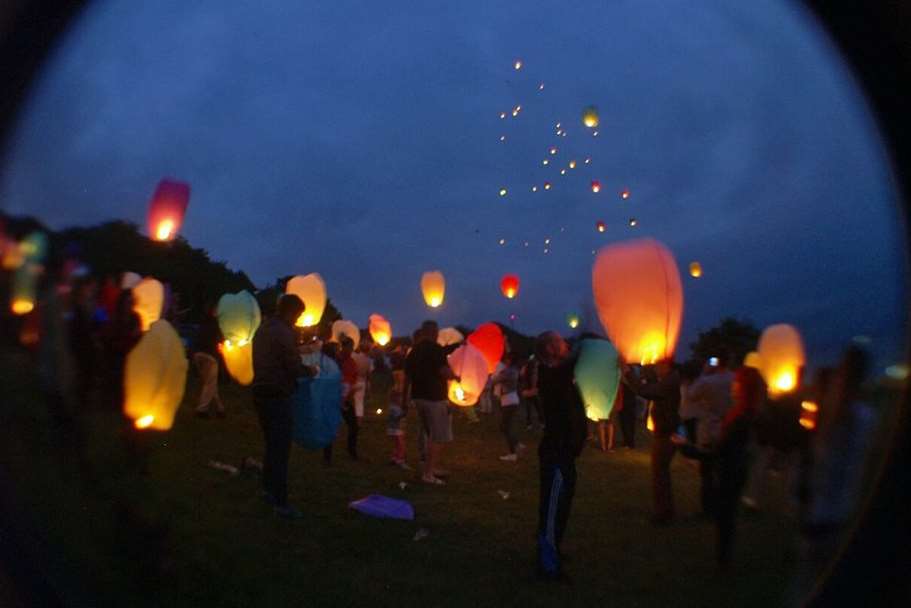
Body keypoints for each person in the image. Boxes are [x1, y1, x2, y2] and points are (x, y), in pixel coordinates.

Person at [251, 294, 314, 518]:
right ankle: (280, 502)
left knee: (271, 445)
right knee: (280, 449)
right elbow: (292, 365)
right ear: (291, 311)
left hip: (260, 391)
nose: (298, 320)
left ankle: (267, 490)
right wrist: (310, 371)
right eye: (298, 315)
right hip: (277, 393)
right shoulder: (284, 332)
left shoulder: (263, 328)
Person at [535, 331, 588, 581]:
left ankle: (555, 547)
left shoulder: (561, 375)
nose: (565, 343)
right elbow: (574, 357)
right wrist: (586, 335)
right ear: (550, 349)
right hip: (556, 453)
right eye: (560, 341)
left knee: (562, 506)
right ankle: (547, 565)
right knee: (552, 509)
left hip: (566, 453)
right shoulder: (549, 373)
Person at [715, 366, 765, 565]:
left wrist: (698, 451)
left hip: (731, 470)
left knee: (726, 515)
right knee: (728, 513)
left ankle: (724, 559)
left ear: (745, 387)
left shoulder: (742, 416)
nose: (733, 385)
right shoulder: (745, 412)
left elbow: (726, 446)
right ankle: (724, 555)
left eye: (737, 382)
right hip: (736, 467)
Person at [403, 321, 457, 485]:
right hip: (434, 398)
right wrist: (455, 377)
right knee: (439, 436)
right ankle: (428, 473)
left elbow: (407, 377)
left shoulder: (413, 352)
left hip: (418, 397)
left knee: (429, 434)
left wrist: (404, 400)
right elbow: (444, 371)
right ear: (433, 332)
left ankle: (430, 467)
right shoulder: (435, 349)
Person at [629, 358, 681, 525]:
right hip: (666, 431)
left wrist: (628, 373)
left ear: (666, 365)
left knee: (660, 474)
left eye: (658, 365)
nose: (655, 369)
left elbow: (645, 391)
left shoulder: (670, 381)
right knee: (661, 473)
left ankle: (663, 514)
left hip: (666, 433)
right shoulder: (671, 379)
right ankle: (666, 511)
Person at [685, 358, 734, 517]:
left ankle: (708, 509)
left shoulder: (706, 381)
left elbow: (691, 395)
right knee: (723, 470)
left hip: (708, 429)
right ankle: (723, 505)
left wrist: (704, 374)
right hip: (727, 429)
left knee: (707, 472)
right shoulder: (734, 379)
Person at [191, 304, 225, 418]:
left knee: (210, 382)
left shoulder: (202, 323)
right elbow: (220, 341)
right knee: (210, 383)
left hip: (197, 355)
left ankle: (220, 408)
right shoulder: (215, 324)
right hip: (209, 356)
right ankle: (201, 409)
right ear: (213, 312)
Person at [492, 352, 523, 461]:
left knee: (505, 427)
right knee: (507, 426)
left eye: (507, 359)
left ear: (510, 360)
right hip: (512, 400)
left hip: (508, 401)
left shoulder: (508, 371)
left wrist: (494, 375)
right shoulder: (514, 370)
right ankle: (517, 445)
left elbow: (494, 381)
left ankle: (512, 453)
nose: (505, 361)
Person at [521, 354, 543, 430]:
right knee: (537, 406)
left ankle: (529, 424)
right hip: (532, 390)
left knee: (529, 407)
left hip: (527, 390)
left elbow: (521, 376)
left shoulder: (526, 369)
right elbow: (534, 379)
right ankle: (541, 422)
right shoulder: (534, 370)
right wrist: (535, 388)